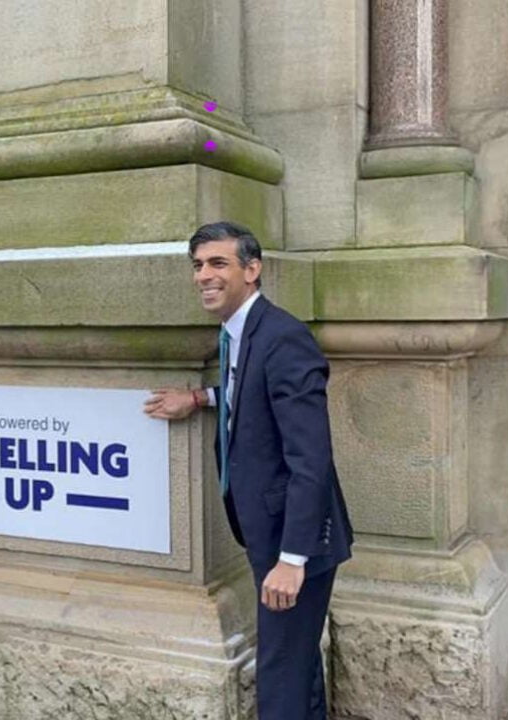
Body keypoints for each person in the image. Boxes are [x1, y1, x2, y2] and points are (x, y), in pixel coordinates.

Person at [144, 221, 353, 720]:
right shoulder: (241, 332)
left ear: (252, 270)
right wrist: (199, 398)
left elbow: (311, 459)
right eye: (198, 265)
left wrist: (292, 560)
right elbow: (252, 397)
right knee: (296, 663)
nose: (203, 276)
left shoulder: (283, 338)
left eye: (218, 263)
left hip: (295, 541)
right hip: (271, 533)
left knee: (279, 674)